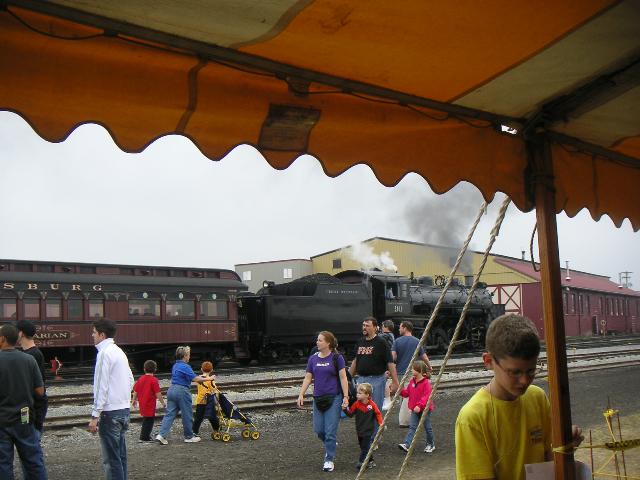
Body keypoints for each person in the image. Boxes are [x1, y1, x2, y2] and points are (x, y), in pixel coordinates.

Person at [455, 314, 584, 480]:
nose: (524, 381)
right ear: (489, 361)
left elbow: (549, 460)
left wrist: (565, 448)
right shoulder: (472, 418)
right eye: (515, 372)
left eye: (531, 370)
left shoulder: (537, 398)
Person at [88, 319, 135, 480]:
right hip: (123, 410)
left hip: (110, 413)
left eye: (94, 332)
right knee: (120, 456)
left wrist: (95, 415)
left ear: (102, 335)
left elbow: (101, 386)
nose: (92, 335)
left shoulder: (104, 353)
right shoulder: (119, 352)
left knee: (111, 460)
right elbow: (130, 380)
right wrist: (123, 398)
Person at [0, 323, 48, 479]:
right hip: (24, 417)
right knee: (33, 462)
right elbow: (40, 391)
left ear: (2, 339)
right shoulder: (29, 360)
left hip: (2, 420)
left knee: (3, 464)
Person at [297, 331, 349, 473]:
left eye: (320, 340)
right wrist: (301, 394)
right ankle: (330, 443)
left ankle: (329, 459)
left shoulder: (337, 358)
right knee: (319, 430)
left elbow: (343, 378)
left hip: (334, 398)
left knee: (330, 432)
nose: (317, 342)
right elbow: (308, 377)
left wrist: (345, 396)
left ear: (328, 343)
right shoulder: (313, 358)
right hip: (318, 398)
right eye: (317, 340)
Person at [349, 316, 399, 434]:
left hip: (376, 379)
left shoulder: (381, 342)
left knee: (374, 409)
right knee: (362, 409)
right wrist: (348, 377)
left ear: (375, 328)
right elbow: (356, 360)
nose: (364, 328)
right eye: (363, 325)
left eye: (367, 325)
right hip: (361, 379)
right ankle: (367, 435)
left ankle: (374, 437)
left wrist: (395, 381)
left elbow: (390, 362)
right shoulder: (360, 341)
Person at [156, 346, 208, 444]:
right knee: (187, 414)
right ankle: (189, 436)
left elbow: (188, 377)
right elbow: (195, 379)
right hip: (182, 391)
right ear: (185, 356)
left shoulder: (175, 365)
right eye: (189, 355)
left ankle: (161, 435)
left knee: (169, 414)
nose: (189, 357)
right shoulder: (185, 366)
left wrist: (201, 379)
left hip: (172, 390)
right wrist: (209, 378)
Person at [392, 320, 432, 426]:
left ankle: (406, 418)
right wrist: (429, 366)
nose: (399, 329)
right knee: (410, 395)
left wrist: (390, 369)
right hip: (412, 372)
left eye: (400, 327)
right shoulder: (416, 341)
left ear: (405, 328)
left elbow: (393, 357)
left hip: (399, 372)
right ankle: (407, 420)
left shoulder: (397, 341)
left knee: (403, 395)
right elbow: (423, 356)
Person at [15, 320, 48, 434]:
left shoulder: (33, 355)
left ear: (21, 333)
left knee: (31, 438)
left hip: (33, 407)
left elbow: (37, 386)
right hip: (29, 406)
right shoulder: (28, 353)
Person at [397, 360, 435, 453]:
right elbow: (407, 393)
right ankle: (407, 444)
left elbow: (426, 396)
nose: (412, 370)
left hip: (424, 409)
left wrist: (419, 405)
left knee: (427, 427)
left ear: (419, 371)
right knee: (412, 427)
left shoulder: (426, 383)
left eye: (413, 369)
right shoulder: (412, 382)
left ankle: (431, 444)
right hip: (415, 409)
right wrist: (399, 390)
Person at [345, 382, 383, 470]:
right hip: (359, 430)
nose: (357, 395)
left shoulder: (372, 405)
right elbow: (350, 414)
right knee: (363, 446)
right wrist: (345, 409)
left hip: (368, 430)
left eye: (360, 393)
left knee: (365, 447)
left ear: (367, 395)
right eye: (357, 393)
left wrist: (381, 423)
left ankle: (361, 462)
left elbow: (378, 414)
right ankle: (371, 460)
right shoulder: (356, 404)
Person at [132, 360, 165, 442]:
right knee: (149, 421)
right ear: (155, 369)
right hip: (150, 404)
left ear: (144, 369)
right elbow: (158, 393)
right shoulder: (154, 380)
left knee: (146, 419)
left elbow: (135, 391)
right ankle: (145, 437)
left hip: (142, 403)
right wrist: (163, 403)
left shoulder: (140, 379)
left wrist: (133, 400)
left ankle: (144, 436)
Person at [192, 361, 220, 437]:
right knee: (212, 416)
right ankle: (217, 429)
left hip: (200, 401)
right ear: (212, 370)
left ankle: (194, 431)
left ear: (201, 369)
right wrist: (216, 401)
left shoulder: (199, 378)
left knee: (198, 417)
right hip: (209, 401)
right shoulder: (211, 379)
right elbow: (214, 390)